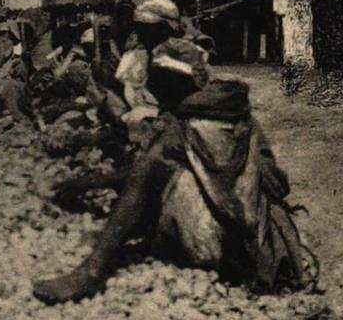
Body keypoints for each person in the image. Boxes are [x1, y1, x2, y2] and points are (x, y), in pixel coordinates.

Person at [32, 39, 314, 304]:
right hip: (257, 242)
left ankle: (92, 271)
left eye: (162, 82)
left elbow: (140, 176)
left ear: (177, 84)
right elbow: (275, 182)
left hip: (219, 248)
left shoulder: (183, 128)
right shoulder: (239, 117)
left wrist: (90, 182)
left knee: (151, 166)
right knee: (164, 170)